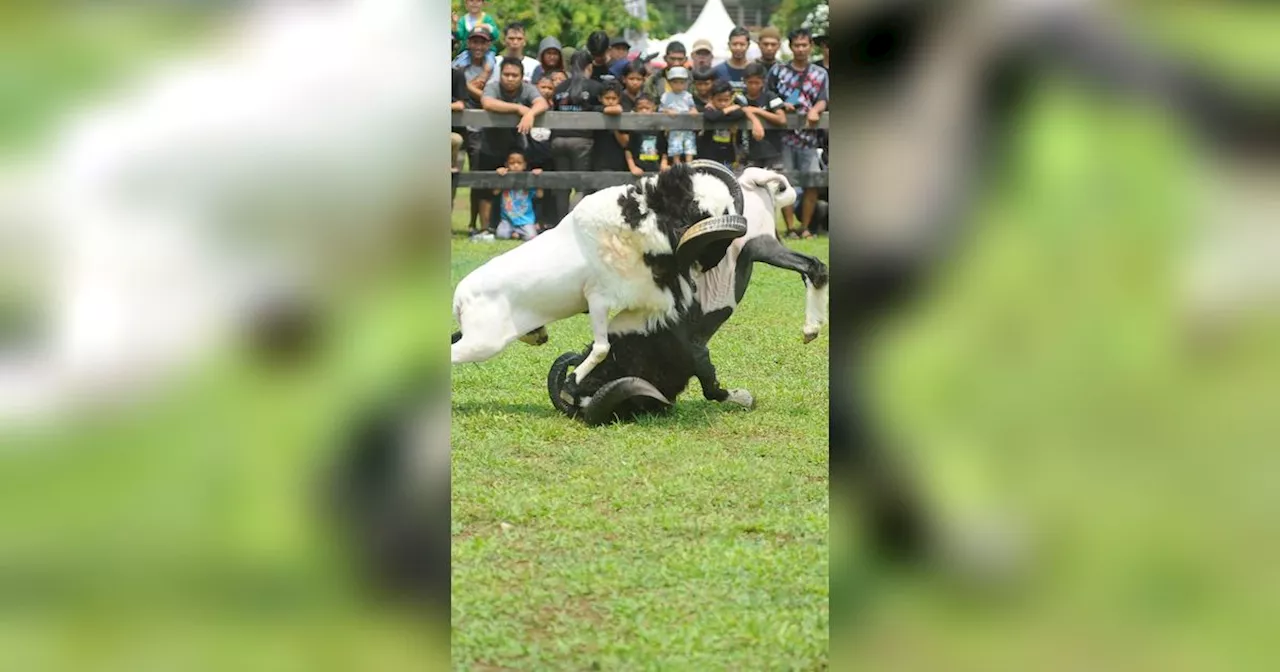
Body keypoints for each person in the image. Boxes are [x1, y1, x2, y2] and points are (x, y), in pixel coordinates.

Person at [476, 57, 549, 240]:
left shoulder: (528, 88)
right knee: (486, 188)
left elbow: (542, 103)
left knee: (518, 188)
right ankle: (486, 228)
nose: (510, 78)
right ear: (500, 75)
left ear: (522, 77)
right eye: (506, 74)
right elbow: (487, 103)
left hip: (515, 149)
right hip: (490, 145)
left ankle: (520, 224)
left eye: (514, 75)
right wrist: (518, 108)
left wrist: (530, 113)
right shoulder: (493, 86)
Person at [771, 28, 828, 239]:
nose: (801, 49)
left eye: (805, 45)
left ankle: (804, 226)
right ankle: (790, 227)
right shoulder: (778, 71)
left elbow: (823, 98)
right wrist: (780, 106)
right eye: (797, 45)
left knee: (811, 182)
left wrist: (816, 109)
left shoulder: (820, 74)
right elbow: (770, 93)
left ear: (811, 46)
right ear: (791, 46)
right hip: (784, 137)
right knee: (786, 182)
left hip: (809, 139)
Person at [549, 50, 603, 224]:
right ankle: (574, 224)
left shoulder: (559, 88)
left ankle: (559, 222)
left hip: (558, 140)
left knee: (562, 186)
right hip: (582, 141)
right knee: (582, 184)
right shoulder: (595, 87)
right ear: (589, 66)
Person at [740, 62, 787, 171]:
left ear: (763, 82)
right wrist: (755, 120)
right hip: (749, 151)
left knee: (773, 183)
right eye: (750, 82)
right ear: (744, 81)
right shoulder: (740, 98)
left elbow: (782, 119)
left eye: (757, 82)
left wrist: (757, 110)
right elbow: (742, 109)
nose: (753, 86)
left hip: (772, 150)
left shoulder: (770, 96)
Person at [493, 150, 542, 241]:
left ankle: (517, 233)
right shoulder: (505, 178)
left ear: (524, 165)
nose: (515, 166)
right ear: (506, 164)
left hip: (525, 220)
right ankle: (514, 233)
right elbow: (495, 192)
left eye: (519, 163)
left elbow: (539, 195)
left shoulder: (529, 179)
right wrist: (500, 176)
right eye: (512, 163)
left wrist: (537, 179)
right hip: (507, 220)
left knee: (531, 237)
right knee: (501, 235)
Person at [697, 81, 745, 169]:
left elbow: (740, 113)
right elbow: (711, 117)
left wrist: (721, 114)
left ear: (731, 98)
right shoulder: (709, 109)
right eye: (719, 100)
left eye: (726, 100)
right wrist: (728, 110)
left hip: (728, 155)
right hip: (709, 155)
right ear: (711, 98)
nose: (723, 103)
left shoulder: (735, 111)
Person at [659, 66, 697, 164]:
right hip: (673, 127)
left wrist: (693, 111)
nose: (678, 85)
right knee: (675, 146)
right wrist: (667, 111)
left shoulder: (688, 96)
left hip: (687, 126)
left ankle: (689, 164)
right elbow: (660, 109)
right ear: (669, 83)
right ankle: (677, 164)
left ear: (686, 83)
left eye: (682, 82)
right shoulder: (666, 96)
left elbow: (692, 107)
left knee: (689, 145)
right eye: (675, 82)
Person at [591, 82, 630, 175]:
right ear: (600, 98)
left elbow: (625, 142)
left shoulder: (624, 114)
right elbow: (616, 109)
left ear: (619, 98)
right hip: (599, 159)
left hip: (618, 159)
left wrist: (615, 126)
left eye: (614, 98)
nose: (611, 101)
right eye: (607, 98)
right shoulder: (595, 111)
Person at [625, 95, 669, 175]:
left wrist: (664, 163)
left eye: (647, 108)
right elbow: (628, 150)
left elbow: (664, 149)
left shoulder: (658, 129)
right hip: (639, 169)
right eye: (640, 108)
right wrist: (633, 167)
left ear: (654, 108)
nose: (644, 111)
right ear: (635, 110)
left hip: (656, 169)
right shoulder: (634, 130)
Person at [712, 27, 753, 98]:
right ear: (729, 45)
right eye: (734, 44)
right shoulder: (718, 70)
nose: (738, 48)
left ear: (748, 45)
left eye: (742, 44)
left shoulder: (755, 70)